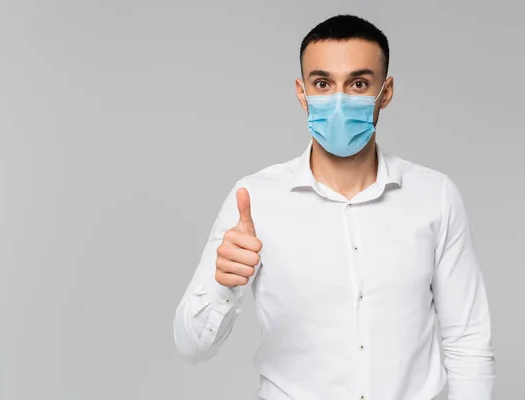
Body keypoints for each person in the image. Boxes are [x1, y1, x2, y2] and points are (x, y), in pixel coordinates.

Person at [173, 14, 495, 400]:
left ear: (386, 92)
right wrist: (223, 286)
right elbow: (191, 348)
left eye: (358, 84)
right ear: (302, 92)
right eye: (323, 83)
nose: (339, 100)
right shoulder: (254, 200)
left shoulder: (435, 196)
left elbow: (468, 341)